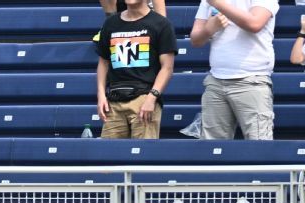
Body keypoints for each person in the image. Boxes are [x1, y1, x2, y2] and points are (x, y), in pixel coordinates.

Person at [190, 0, 279, 140]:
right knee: (212, 148)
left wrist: (216, 3)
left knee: (259, 145)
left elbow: (255, 24)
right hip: (215, 80)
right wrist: (209, 29)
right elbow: (195, 40)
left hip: (252, 80)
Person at [95, 0, 176, 139]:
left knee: (141, 157)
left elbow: (167, 68)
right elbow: (103, 63)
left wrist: (152, 98)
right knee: (109, 157)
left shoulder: (161, 24)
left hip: (144, 98)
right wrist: (101, 95)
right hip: (114, 101)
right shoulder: (110, 23)